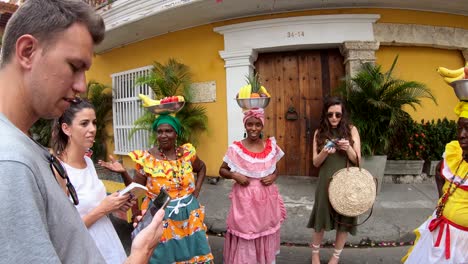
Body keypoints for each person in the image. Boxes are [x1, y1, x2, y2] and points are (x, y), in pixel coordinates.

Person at [0, 0, 164, 263]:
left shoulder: (25, 149)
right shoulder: (10, 162)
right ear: (27, 51)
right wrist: (139, 257)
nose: (82, 86)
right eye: (74, 66)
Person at [107, 114, 214, 263]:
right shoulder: (148, 159)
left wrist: (196, 192)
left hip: (189, 216)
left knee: (194, 254)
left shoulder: (186, 155)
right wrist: (123, 172)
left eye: (168, 131)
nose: (163, 135)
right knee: (164, 256)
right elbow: (136, 188)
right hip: (160, 217)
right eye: (160, 131)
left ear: (176, 133)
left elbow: (201, 167)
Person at [50, 100, 137, 264]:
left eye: (94, 123)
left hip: (109, 245)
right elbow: (63, 233)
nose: (92, 129)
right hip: (85, 252)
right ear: (66, 128)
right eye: (84, 123)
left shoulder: (88, 162)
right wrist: (103, 209)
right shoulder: (58, 170)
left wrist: (116, 204)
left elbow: (96, 204)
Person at [402, 101, 468, 263]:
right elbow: (439, 172)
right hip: (439, 231)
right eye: (460, 128)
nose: (462, 135)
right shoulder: (455, 153)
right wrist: (442, 199)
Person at [219, 107, 287, 264]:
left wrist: (273, 177)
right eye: (250, 124)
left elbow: (276, 170)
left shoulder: (270, 147)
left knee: (264, 232)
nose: (253, 128)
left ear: (262, 126)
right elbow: (222, 170)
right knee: (246, 233)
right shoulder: (236, 149)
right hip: (245, 201)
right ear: (245, 125)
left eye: (257, 124)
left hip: (266, 200)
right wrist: (234, 175)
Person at [306, 97, 361, 264]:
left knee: (344, 219)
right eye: (330, 115)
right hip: (325, 183)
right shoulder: (319, 133)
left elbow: (358, 161)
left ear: (343, 115)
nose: (334, 118)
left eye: (338, 114)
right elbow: (315, 162)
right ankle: (315, 254)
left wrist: (348, 149)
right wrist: (324, 151)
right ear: (325, 115)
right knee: (321, 219)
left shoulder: (351, 130)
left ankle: (335, 257)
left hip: (346, 182)